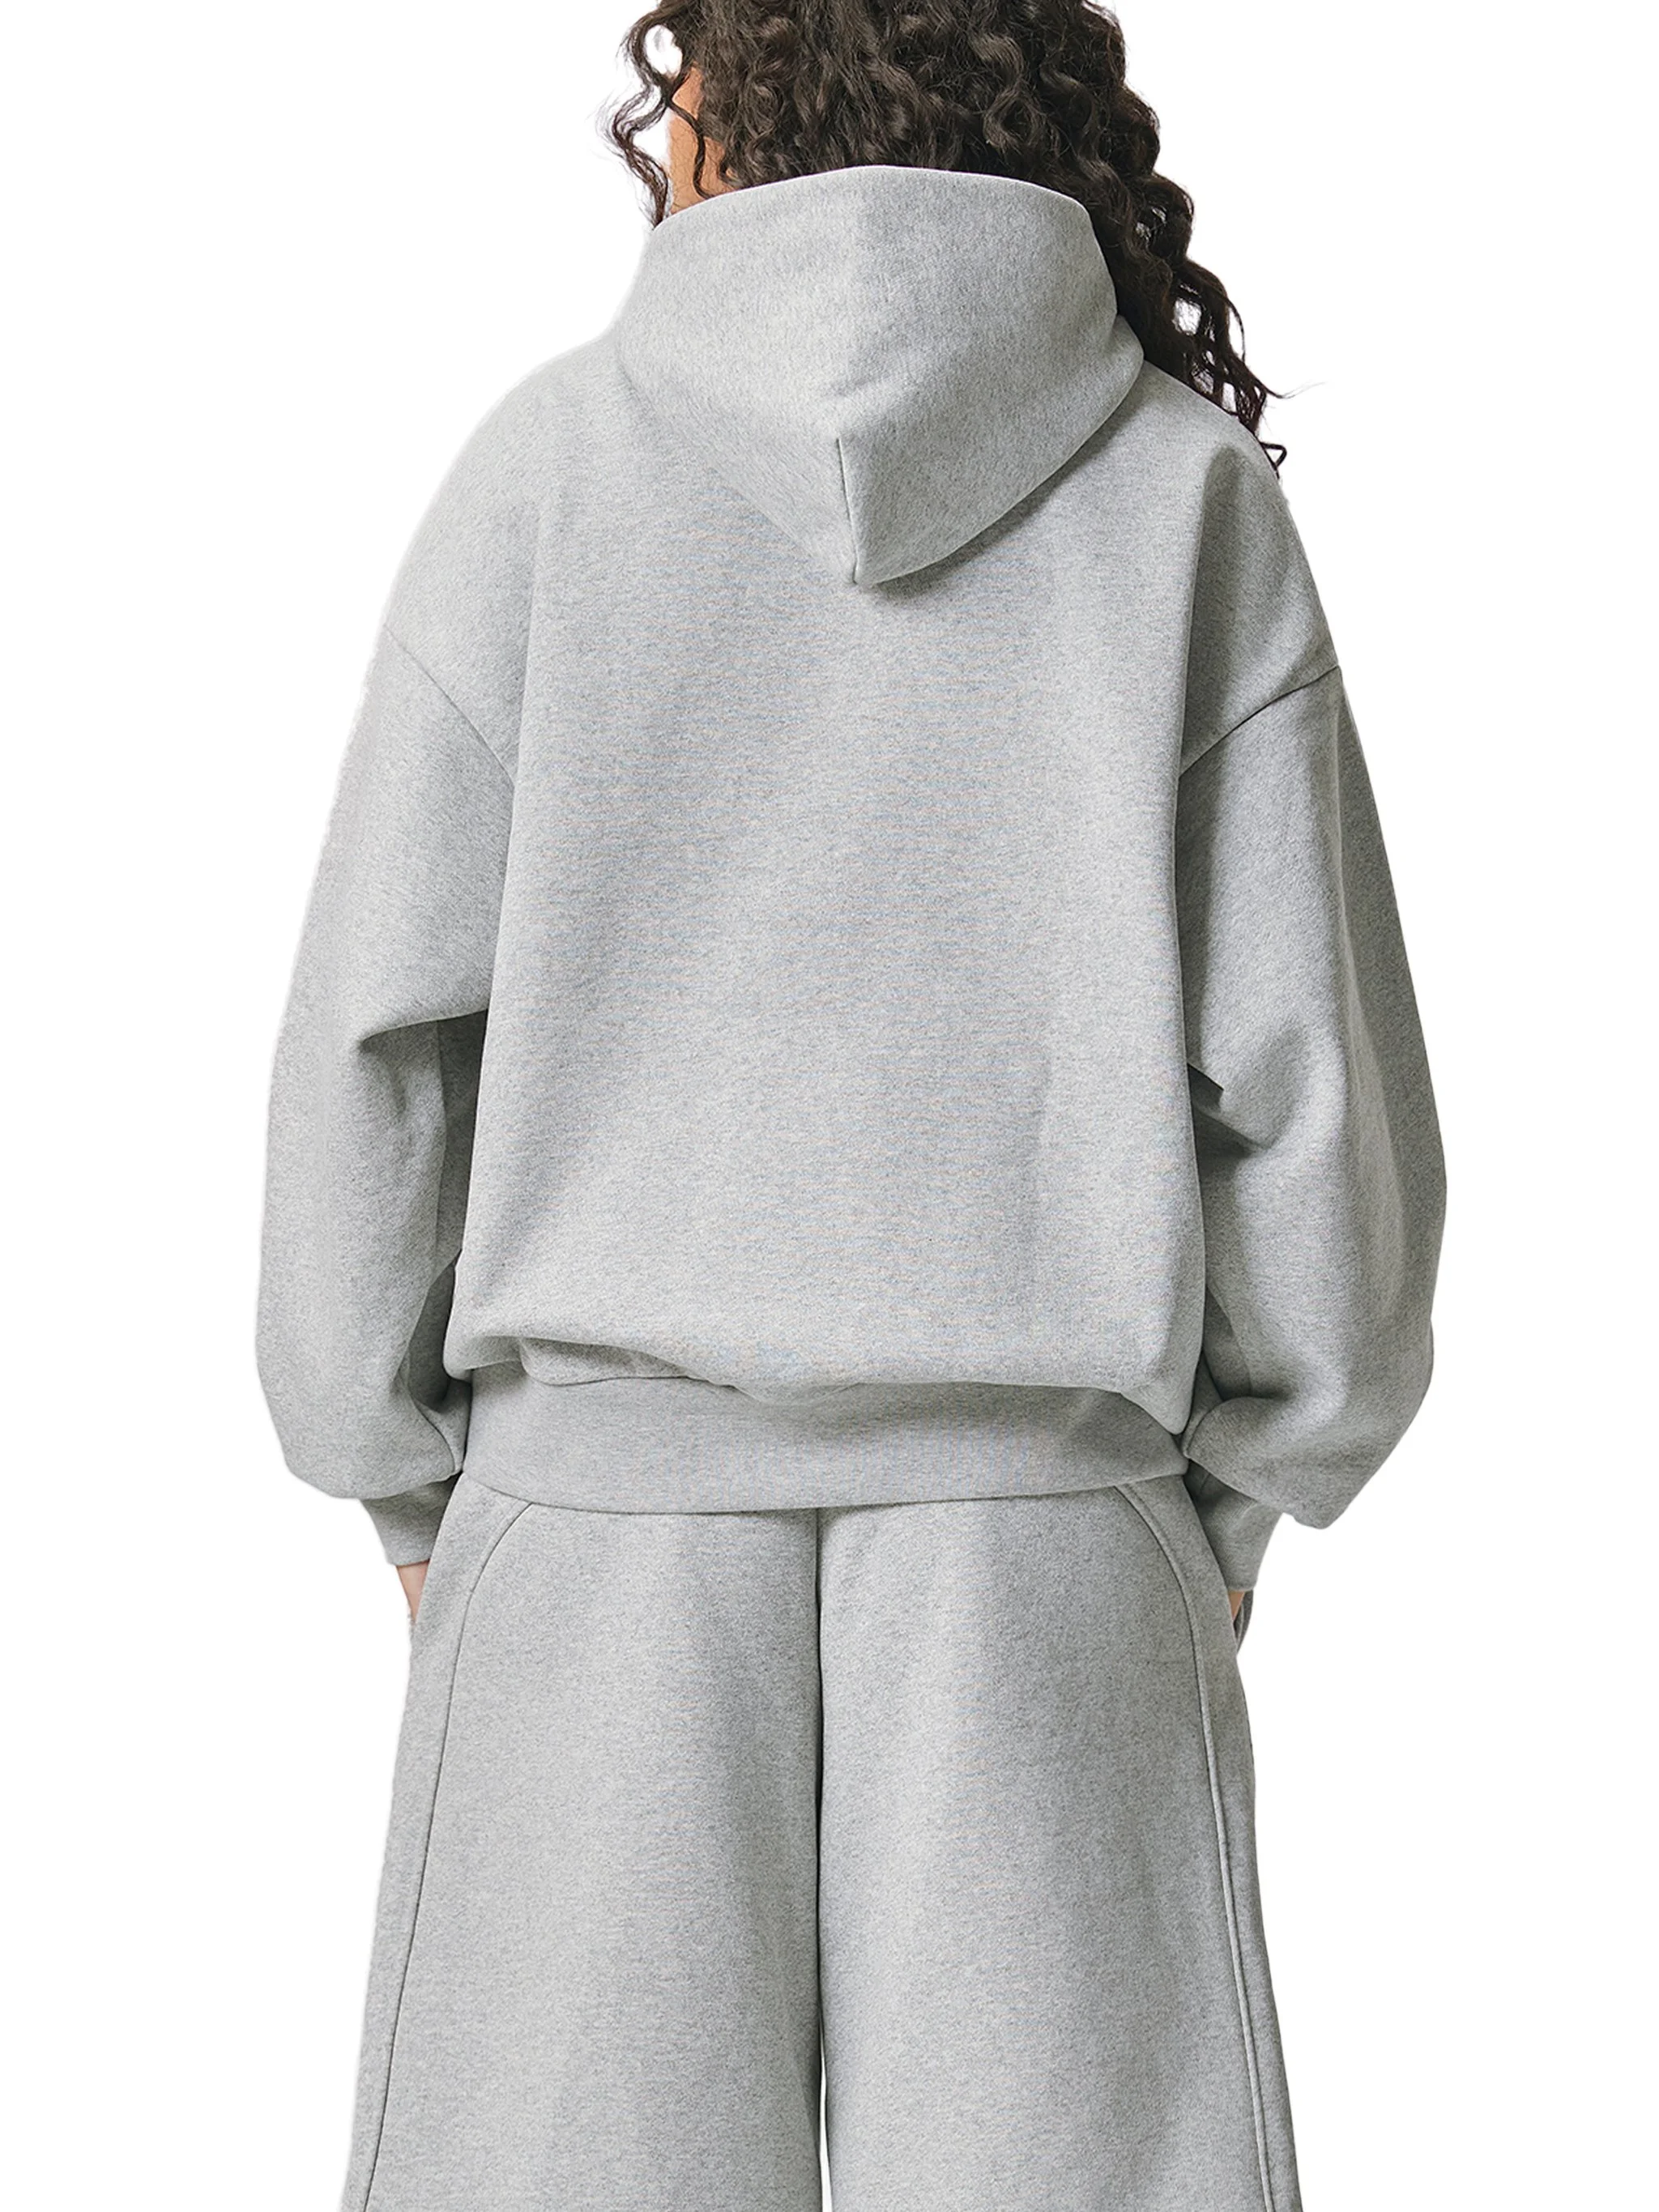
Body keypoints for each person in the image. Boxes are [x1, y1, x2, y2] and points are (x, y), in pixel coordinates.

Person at [255, 4, 1444, 2206]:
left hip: (595, 1543)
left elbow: (376, 1047)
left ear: (725, 94)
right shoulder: (1184, 504)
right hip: (1048, 1546)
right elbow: (1312, 1088)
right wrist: (1241, 1493)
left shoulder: (543, 479)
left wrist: (404, 1486)